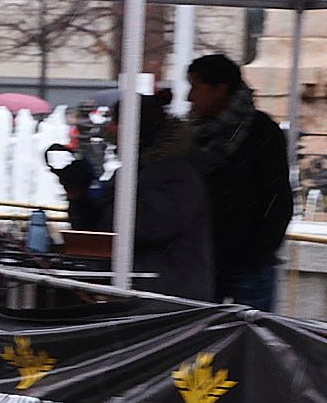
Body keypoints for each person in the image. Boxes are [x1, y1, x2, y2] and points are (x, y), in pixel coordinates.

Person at [52, 89, 214, 300]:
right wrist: (78, 196)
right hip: (143, 292)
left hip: (167, 299)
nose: (109, 129)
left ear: (136, 130)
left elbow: (140, 227)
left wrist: (99, 203)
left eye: (115, 121)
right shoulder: (134, 173)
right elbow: (99, 231)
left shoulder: (177, 176)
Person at [185, 53, 293, 310]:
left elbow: (277, 196)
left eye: (195, 87)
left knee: (251, 337)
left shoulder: (261, 131)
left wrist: (259, 251)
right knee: (199, 339)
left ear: (220, 90)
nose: (190, 96)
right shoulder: (193, 134)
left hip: (247, 262)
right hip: (204, 259)